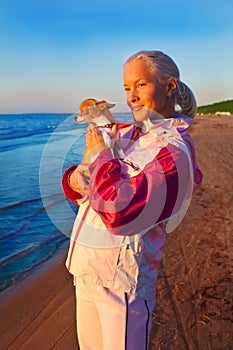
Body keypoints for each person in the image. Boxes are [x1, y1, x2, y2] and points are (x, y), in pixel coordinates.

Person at [62, 50, 202, 350]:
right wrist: (76, 178)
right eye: (127, 88)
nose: (131, 97)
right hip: (85, 269)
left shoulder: (174, 152)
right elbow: (84, 184)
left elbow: (121, 212)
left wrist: (100, 157)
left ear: (169, 86)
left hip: (121, 280)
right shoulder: (125, 133)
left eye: (141, 84)